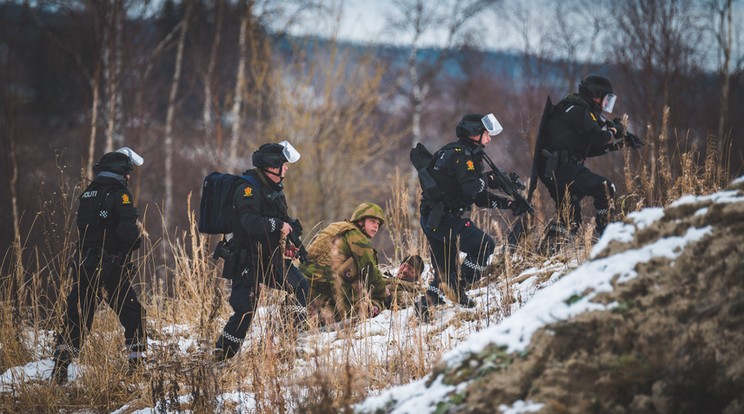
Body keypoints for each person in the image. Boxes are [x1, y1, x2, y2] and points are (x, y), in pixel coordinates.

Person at [52, 147, 147, 384]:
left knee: (78, 315)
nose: (129, 177)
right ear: (121, 173)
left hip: (84, 264)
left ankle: (60, 369)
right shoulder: (120, 195)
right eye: (128, 172)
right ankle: (137, 367)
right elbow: (129, 234)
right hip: (111, 267)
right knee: (134, 313)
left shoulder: (88, 194)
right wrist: (138, 235)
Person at [417, 113, 526, 315]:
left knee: (445, 271)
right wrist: (490, 179)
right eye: (486, 133)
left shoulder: (462, 153)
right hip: (443, 219)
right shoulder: (461, 155)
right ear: (475, 132)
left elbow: (480, 197)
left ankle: (425, 307)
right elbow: (472, 188)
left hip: (434, 219)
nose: (490, 138)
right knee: (485, 245)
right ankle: (460, 286)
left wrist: (509, 203)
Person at [213, 141, 310, 362]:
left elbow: (284, 220)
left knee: (301, 286)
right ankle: (221, 355)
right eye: (283, 165)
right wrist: (277, 225)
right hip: (246, 260)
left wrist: (295, 244)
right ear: (271, 166)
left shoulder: (273, 190)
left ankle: (287, 338)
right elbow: (249, 222)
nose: (286, 169)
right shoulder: (247, 189)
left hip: (270, 258)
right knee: (246, 309)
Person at [538, 75, 624, 243]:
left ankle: (546, 254)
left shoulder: (574, 108)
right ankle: (608, 242)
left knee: (570, 220)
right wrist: (614, 131)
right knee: (604, 188)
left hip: (556, 169)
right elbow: (599, 137)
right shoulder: (577, 110)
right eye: (605, 99)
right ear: (595, 95)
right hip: (562, 169)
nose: (605, 104)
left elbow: (587, 149)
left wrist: (615, 145)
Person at [299, 202, 388, 323]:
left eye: (378, 223)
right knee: (363, 304)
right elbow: (370, 271)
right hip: (321, 285)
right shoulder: (356, 236)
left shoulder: (341, 227)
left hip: (307, 281)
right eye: (372, 221)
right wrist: (384, 294)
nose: (376, 226)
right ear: (360, 220)